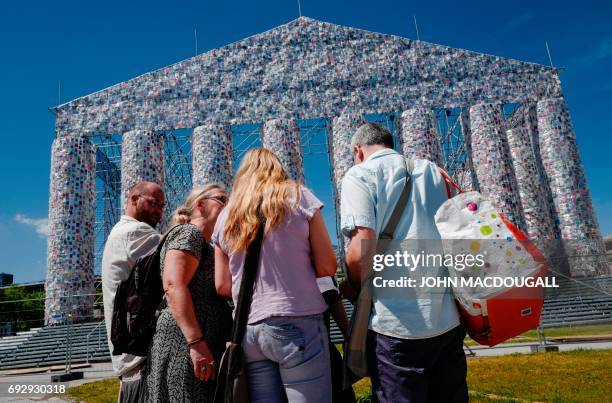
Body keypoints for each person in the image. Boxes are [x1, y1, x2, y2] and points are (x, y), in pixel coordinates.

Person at [340, 123, 468, 403]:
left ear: (357, 151)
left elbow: (362, 250)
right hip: (447, 318)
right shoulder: (435, 171)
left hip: (395, 324)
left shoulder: (359, 174)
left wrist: (351, 284)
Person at [213, 148, 337, 403]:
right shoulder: (298, 196)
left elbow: (223, 285)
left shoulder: (226, 216)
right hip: (298, 320)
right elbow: (327, 267)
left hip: (249, 329)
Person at [146, 184, 232, 402]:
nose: (229, 203)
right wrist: (196, 343)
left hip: (199, 343)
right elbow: (174, 285)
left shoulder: (207, 243)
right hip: (185, 345)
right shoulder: (189, 232)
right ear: (200, 205)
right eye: (222, 198)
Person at [101, 181, 166, 403]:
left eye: (162, 206)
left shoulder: (119, 232)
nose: (159, 210)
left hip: (129, 360)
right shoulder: (136, 232)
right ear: (134, 199)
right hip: (141, 361)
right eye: (154, 203)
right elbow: (179, 260)